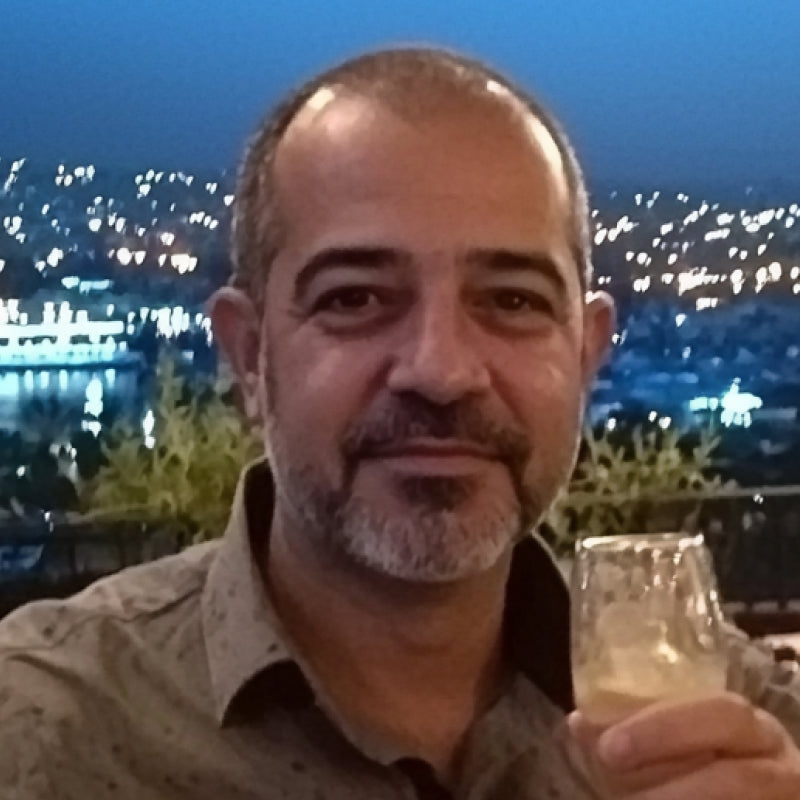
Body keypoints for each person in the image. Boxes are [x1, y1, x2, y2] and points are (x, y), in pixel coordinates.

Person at [0, 46, 799, 800]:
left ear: (585, 355)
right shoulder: (45, 730)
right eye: (354, 298)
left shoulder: (744, 732)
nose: (442, 371)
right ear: (249, 357)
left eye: (512, 300)